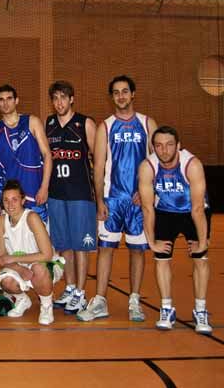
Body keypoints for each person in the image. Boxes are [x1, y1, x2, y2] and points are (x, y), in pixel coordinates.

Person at [78, 75, 158, 323]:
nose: (121, 96)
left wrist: (147, 191)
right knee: (105, 250)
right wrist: (100, 201)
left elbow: (157, 163)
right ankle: (100, 300)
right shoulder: (106, 126)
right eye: (116, 92)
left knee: (137, 251)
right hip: (113, 199)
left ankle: (134, 300)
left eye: (125, 91)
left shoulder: (147, 124)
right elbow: (98, 166)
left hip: (138, 200)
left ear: (133, 94)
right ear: (111, 96)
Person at [138, 126, 212, 333]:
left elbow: (197, 208)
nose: (164, 150)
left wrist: (203, 241)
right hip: (164, 211)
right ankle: (166, 308)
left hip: (192, 211)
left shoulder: (192, 165)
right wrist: (152, 242)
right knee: (161, 258)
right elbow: (147, 208)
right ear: (153, 148)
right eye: (159, 146)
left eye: (170, 145)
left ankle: (200, 310)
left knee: (201, 259)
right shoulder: (147, 167)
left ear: (178, 146)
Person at [45, 81, 97, 314]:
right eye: (55, 98)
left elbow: (98, 160)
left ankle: (81, 293)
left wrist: (100, 196)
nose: (59, 103)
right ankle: (70, 286)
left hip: (80, 195)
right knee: (64, 245)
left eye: (63, 97)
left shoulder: (85, 123)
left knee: (80, 247)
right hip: (56, 194)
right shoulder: (49, 124)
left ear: (72, 99)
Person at [0, 84, 52, 223]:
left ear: (16, 101)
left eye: (9, 98)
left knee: (40, 241)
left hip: (35, 193)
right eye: (1, 99)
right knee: (14, 242)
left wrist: (45, 187)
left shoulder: (32, 122)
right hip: (11, 200)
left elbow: (47, 155)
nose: (5, 102)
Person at [0, 180, 55, 325]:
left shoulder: (31, 217)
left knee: (38, 269)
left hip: (44, 263)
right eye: (6, 200)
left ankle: (47, 305)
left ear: (23, 200)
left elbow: (47, 255)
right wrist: (19, 268)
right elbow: (1, 258)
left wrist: (17, 260)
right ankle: (23, 299)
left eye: (14, 200)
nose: (10, 205)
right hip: (18, 264)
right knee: (5, 280)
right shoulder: (1, 220)